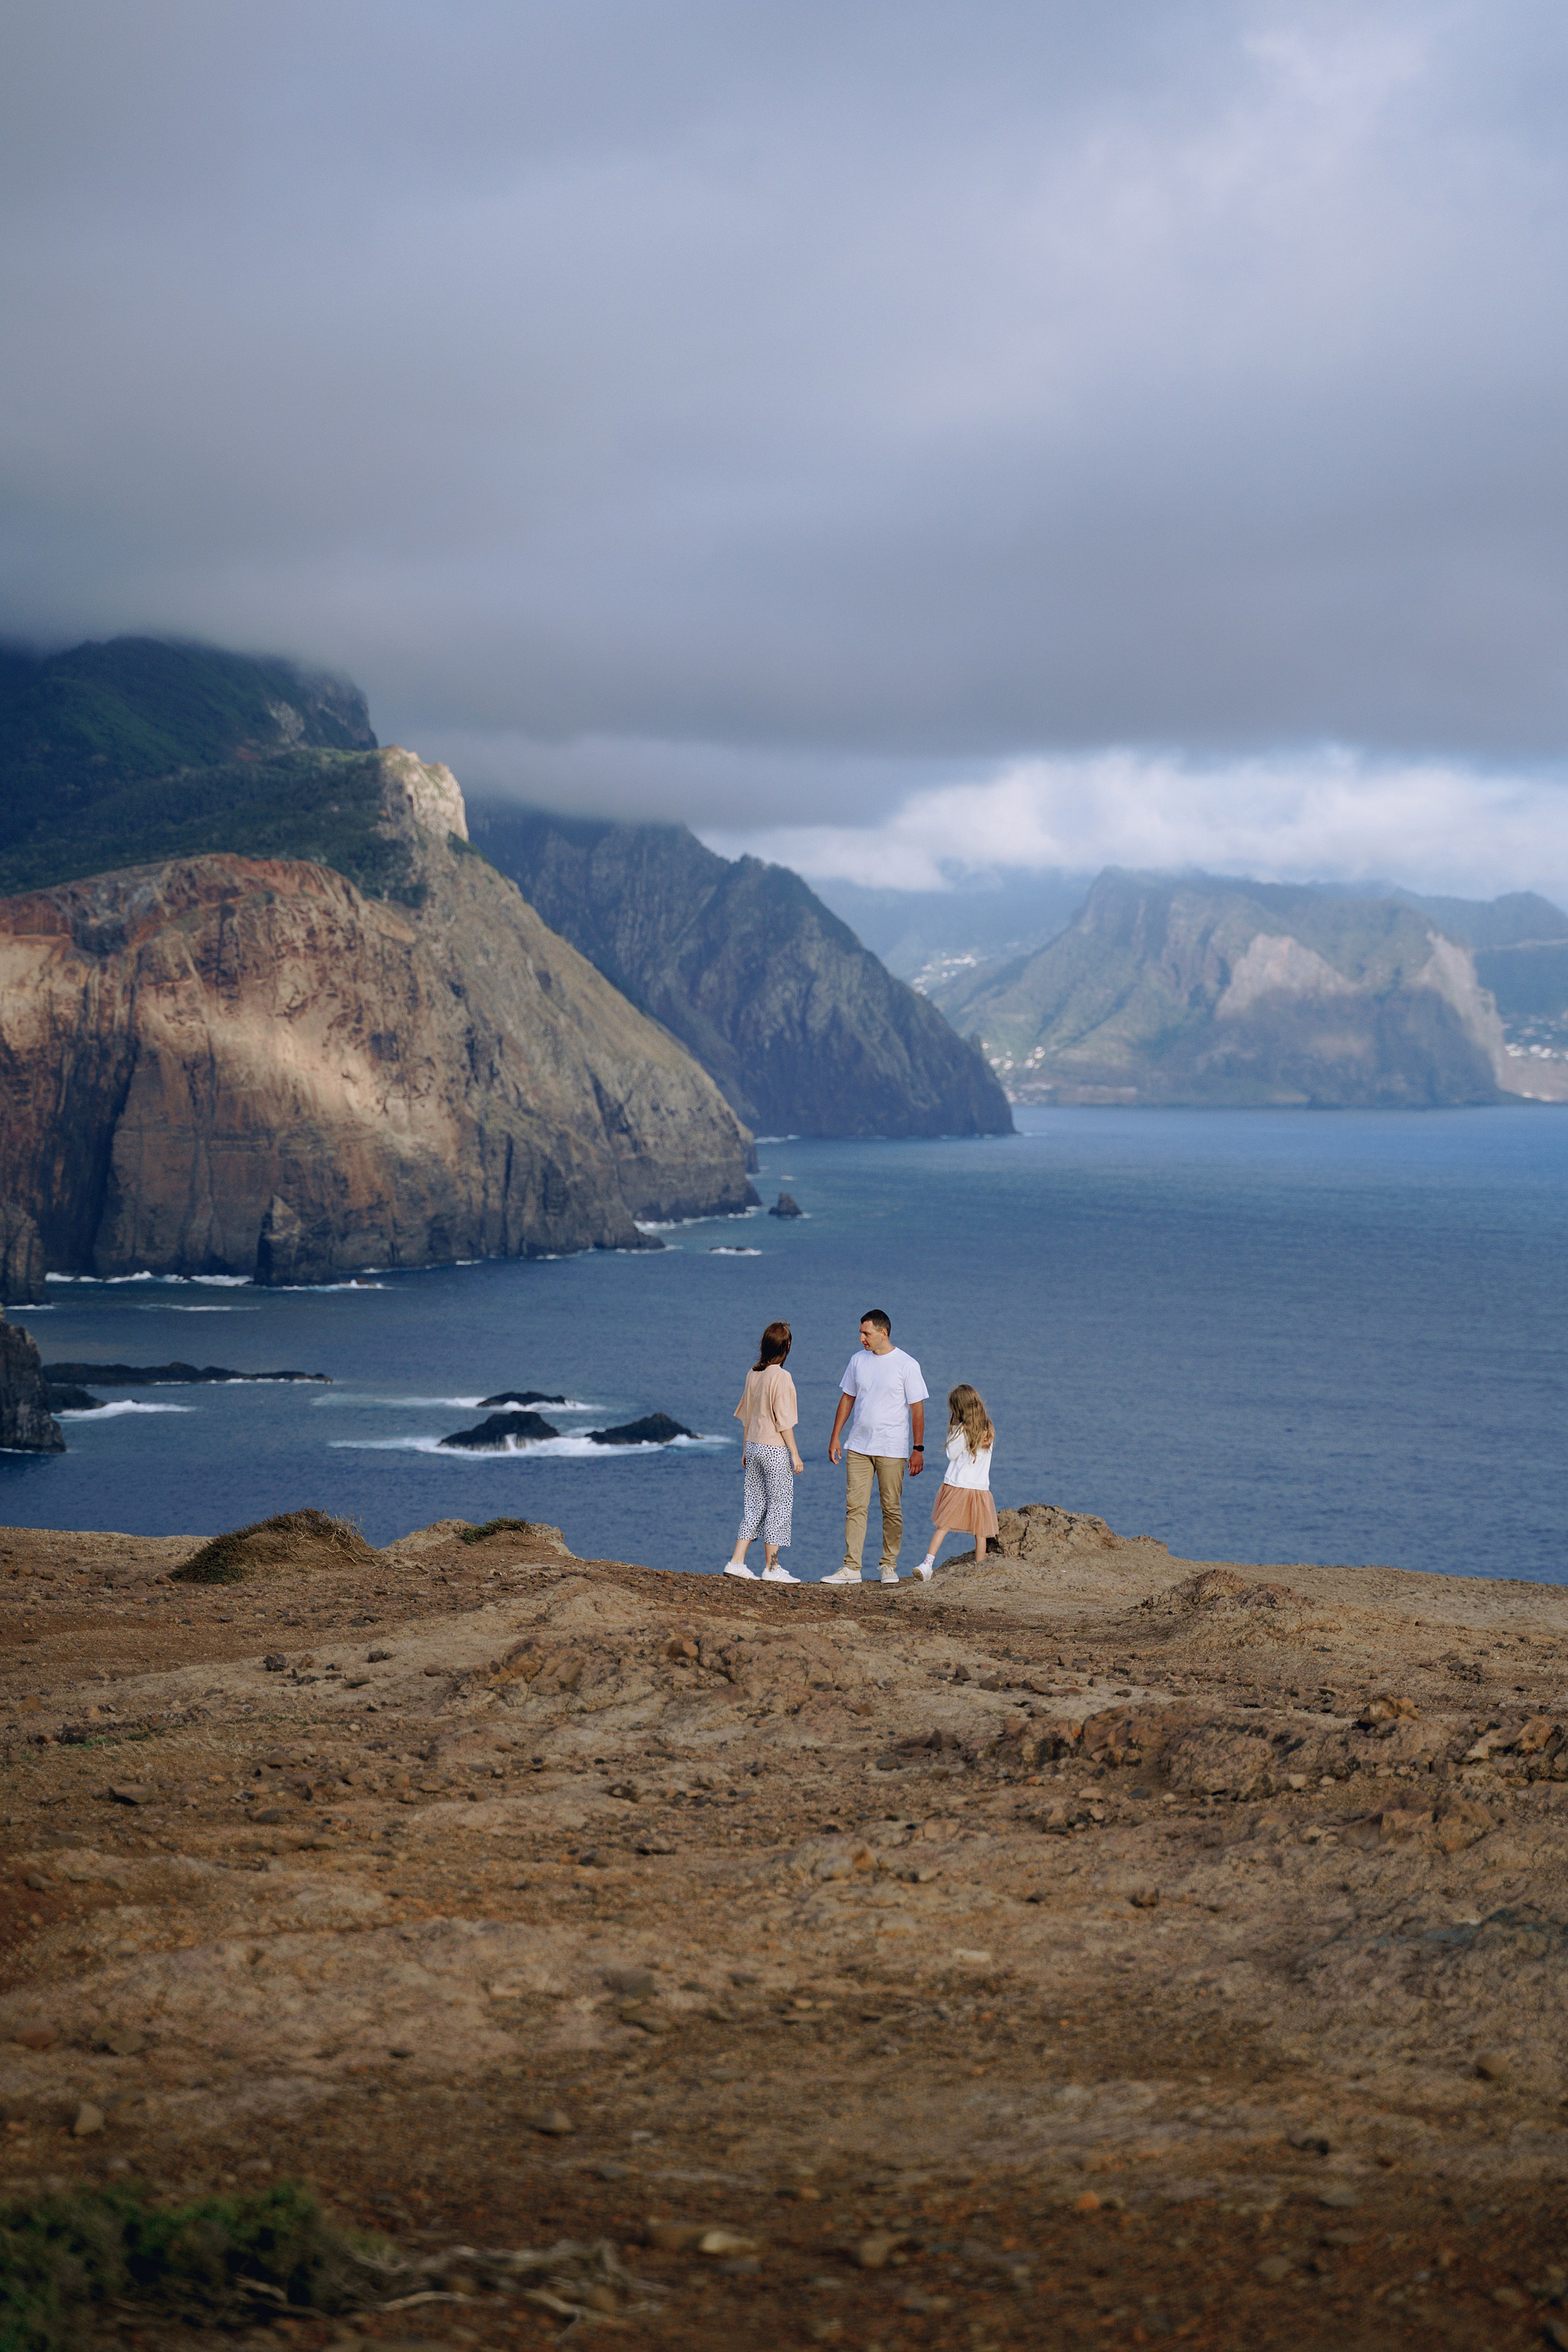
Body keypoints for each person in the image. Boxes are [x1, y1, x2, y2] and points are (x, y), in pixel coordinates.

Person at [821, 1308, 928, 1585]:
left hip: (892, 1449)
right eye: (860, 1333)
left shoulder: (907, 1364)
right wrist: (835, 1437)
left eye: (866, 1333)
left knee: (891, 1507)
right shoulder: (857, 1361)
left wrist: (918, 1449)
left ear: (884, 1333)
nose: (861, 1339)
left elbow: (917, 1410)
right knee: (855, 1507)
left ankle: (888, 1565)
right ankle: (851, 1568)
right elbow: (847, 1400)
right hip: (858, 1446)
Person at [724, 1320, 804, 1582]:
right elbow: (784, 1421)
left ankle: (737, 1561)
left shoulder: (753, 1374)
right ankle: (772, 1568)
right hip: (775, 1450)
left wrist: (745, 1448)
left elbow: (747, 1416)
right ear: (788, 1346)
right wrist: (794, 1453)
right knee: (779, 1508)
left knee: (755, 1507)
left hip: (755, 1447)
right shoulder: (781, 1377)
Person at [914, 1382, 998, 1580]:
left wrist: (952, 1429)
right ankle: (980, 1568)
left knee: (943, 1526)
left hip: (958, 1484)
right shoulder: (988, 1428)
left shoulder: (961, 1430)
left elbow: (951, 1454)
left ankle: (928, 1564)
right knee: (981, 1532)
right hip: (980, 1488)